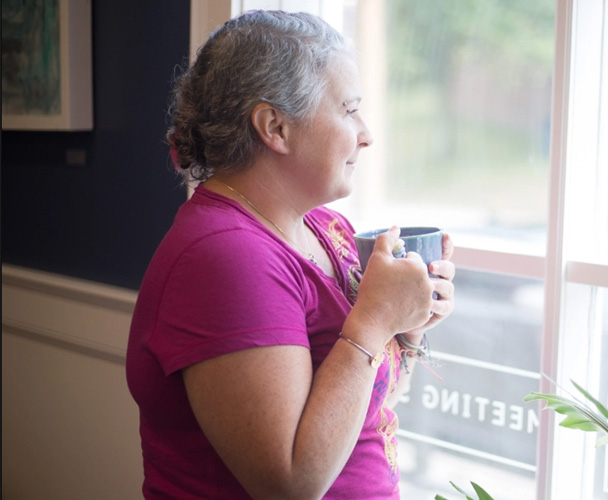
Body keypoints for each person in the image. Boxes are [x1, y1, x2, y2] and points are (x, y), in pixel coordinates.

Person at [126, 10, 455, 500]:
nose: (366, 134)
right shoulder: (224, 257)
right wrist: (372, 319)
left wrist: (405, 327)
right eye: (348, 110)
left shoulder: (328, 229)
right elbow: (289, 483)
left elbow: (372, 403)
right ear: (274, 127)